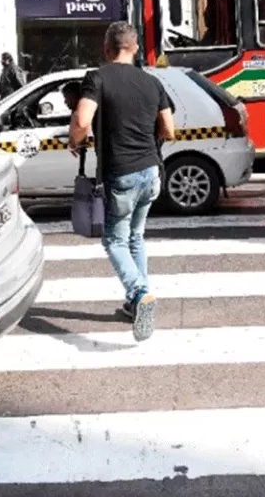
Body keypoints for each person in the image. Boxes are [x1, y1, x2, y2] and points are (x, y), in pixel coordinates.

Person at [69, 21, 174, 342]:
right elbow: (169, 130)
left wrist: (75, 141)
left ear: (106, 48)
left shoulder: (97, 78)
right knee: (136, 237)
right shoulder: (152, 82)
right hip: (152, 171)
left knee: (114, 240)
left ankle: (140, 292)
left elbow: (83, 119)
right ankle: (135, 303)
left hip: (122, 173)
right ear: (136, 48)